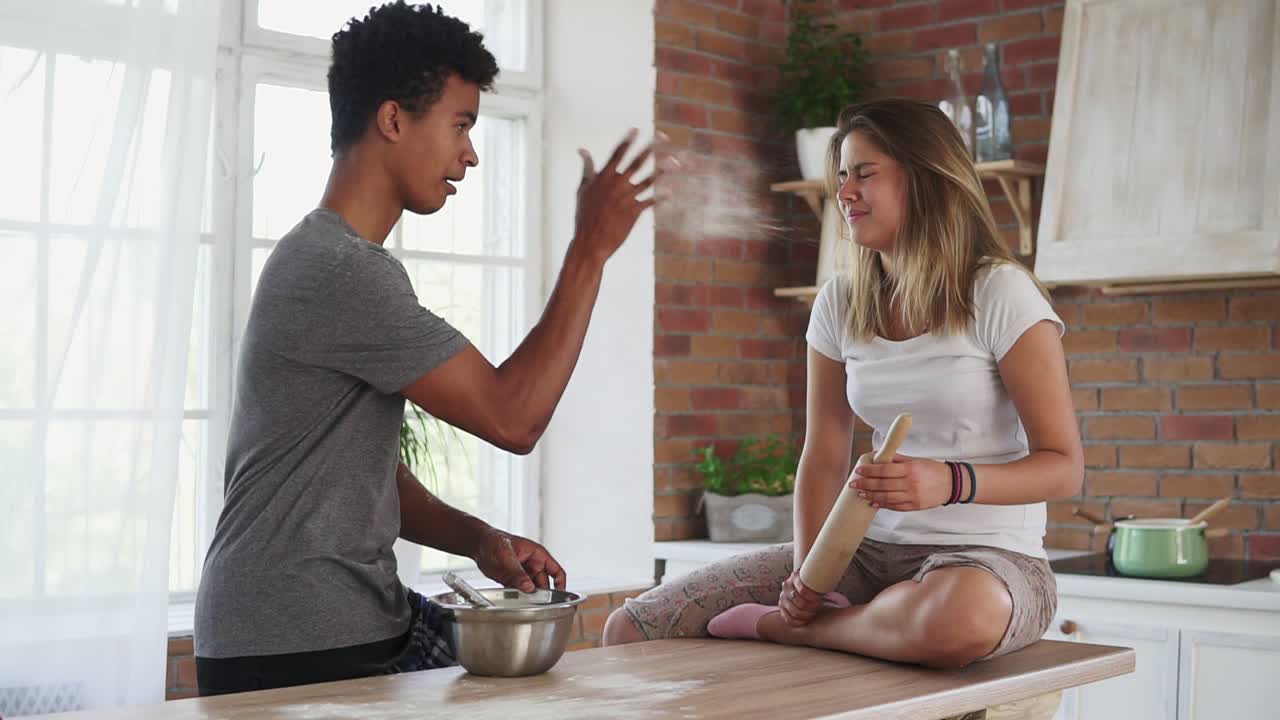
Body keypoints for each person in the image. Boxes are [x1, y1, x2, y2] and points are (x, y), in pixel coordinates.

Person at [194, 2, 657, 695]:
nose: (469, 153)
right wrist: (590, 249)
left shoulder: (328, 258)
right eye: (461, 125)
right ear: (392, 120)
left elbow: (363, 479)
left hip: (314, 625)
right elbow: (514, 417)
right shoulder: (343, 269)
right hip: (294, 642)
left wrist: (478, 540)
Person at [603, 98, 1082, 669]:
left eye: (865, 173)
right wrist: (810, 575)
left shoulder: (1001, 294)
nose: (845, 192)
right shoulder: (839, 302)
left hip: (989, 563)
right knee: (632, 628)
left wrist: (949, 482)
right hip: (862, 554)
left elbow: (1063, 466)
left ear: (927, 179)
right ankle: (840, 623)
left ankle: (802, 634)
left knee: (961, 617)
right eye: (841, 176)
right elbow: (825, 453)